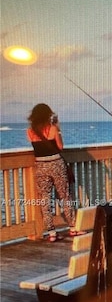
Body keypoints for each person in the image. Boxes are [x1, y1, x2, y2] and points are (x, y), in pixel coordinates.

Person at [26, 103, 85, 242]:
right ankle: (73, 228)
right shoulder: (52, 129)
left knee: (45, 199)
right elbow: (60, 146)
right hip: (56, 164)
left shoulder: (29, 131)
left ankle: (51, 233)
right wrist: (58, 129)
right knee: (65, 195)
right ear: (48, 115)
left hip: (40, 165)